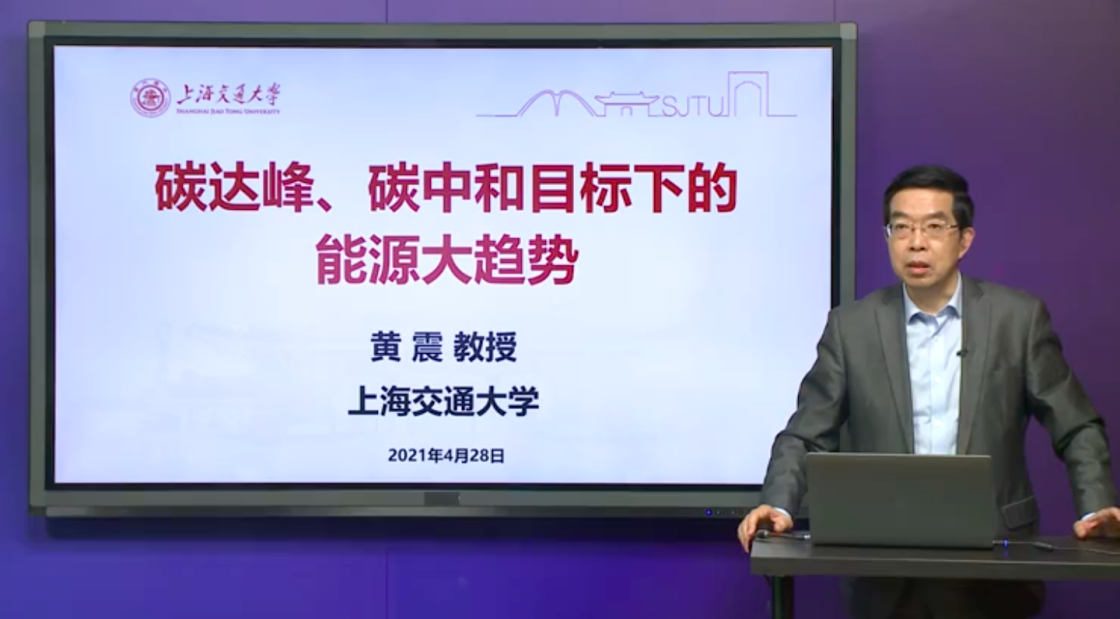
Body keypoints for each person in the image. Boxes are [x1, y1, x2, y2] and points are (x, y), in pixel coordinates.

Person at [737, 164, 1120, 619]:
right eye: (901, 227)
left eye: (934, 227)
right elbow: (805, 434)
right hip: (884, 565)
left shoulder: (1017, 320)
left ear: (965, 240)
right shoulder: (852, 328)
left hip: (994, 561)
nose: (916, 242)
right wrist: (778, 502)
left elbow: (1077, 425)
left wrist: (1097, 507)